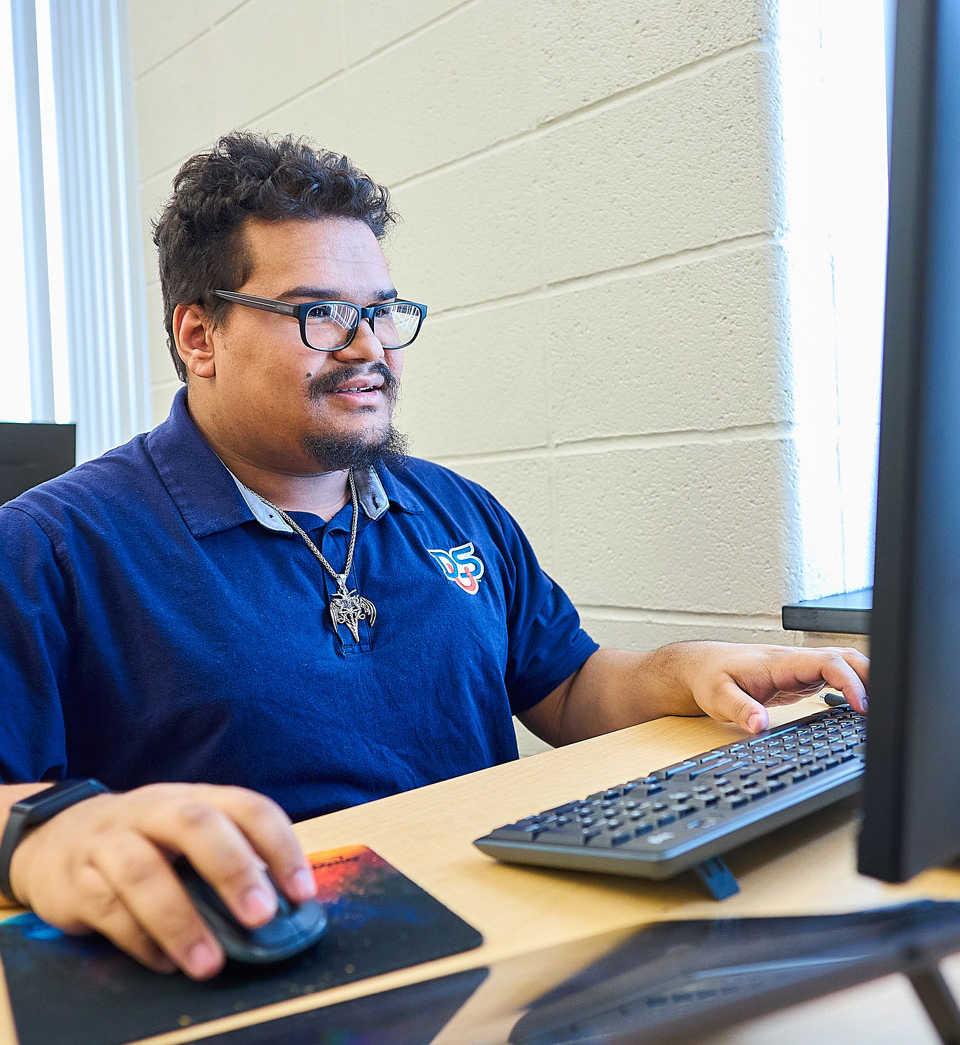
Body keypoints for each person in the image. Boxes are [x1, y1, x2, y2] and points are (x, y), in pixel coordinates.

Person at [0, 132, 869, 980]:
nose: (369, 347)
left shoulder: (453, 507)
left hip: (501, 943)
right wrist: (52, 837)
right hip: (268, 976)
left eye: (380, 311)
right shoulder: (50, 547)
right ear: (200, 336)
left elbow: (564, 685)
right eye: (322, 314)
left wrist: (685, 670)